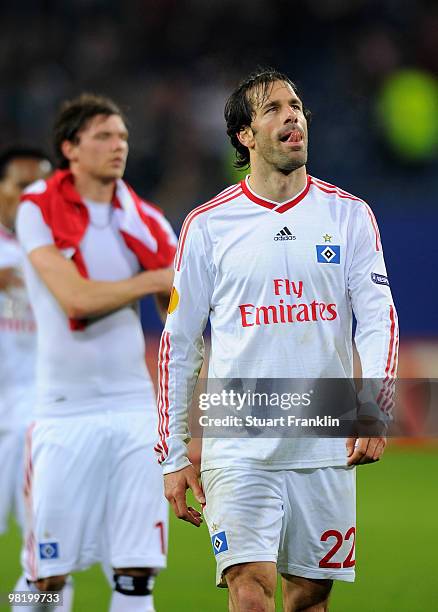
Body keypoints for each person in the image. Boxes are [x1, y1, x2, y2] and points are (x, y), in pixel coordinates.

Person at [157, 69, 399, 612]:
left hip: (323, 436)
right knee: (250, 592)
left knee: (309, 599)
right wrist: (172, 453)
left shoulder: (349, 215)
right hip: (239, 440)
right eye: (272, 108)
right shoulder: (208, 225)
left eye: (297, 104)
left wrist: (374, 408)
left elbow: (380, 316)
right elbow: (179, 342)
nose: (292, 115)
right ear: (245, 135)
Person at [15, 94, 177, 612]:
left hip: (134, 408)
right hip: (64, 411)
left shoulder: (146, 219)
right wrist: (154, 279)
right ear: (70, 148)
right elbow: (75, 297)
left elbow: (180, 311)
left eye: (124, 137)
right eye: (104, 136)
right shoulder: (37, 207)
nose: (118, 146)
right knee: (45, 578)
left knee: (136, 573)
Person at [0, 147, 52, 538]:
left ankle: (27, 602)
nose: (32, 195)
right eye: (22, 186)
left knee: (48, 545)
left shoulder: (58, 252)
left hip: (36, 415)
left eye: (41, 186)